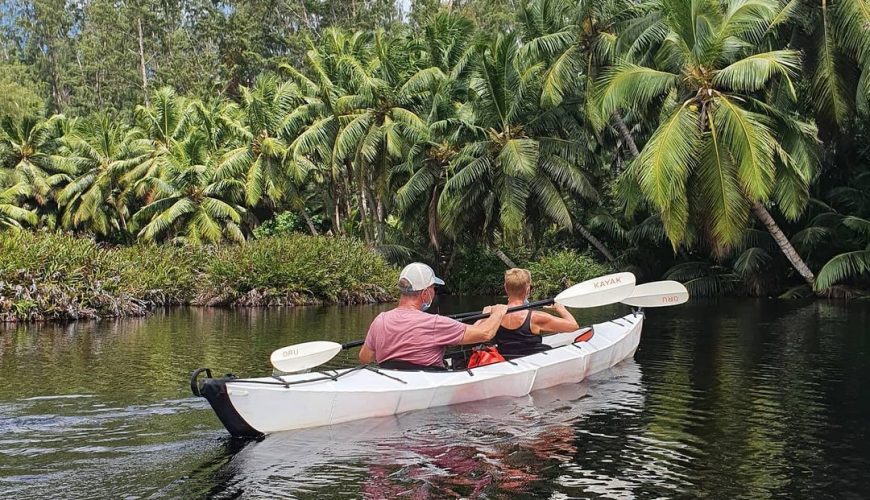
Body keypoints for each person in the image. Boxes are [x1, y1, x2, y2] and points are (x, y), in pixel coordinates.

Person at [359, 262, 508, 371]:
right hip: (429, 383)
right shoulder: (435, 323)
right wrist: (498, 312)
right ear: (425, 293)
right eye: (432, 288)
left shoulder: (380, 320)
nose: (434, 292)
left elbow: (365, 358)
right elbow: (486, 334)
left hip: (393, 380)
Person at [491, 268, 580, 357]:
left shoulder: (494, 316)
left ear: (505, 288)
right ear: (528, 289)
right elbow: (573, 326)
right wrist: (561, 309)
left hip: (506, 360)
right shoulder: (536, 317)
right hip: (535, 360)